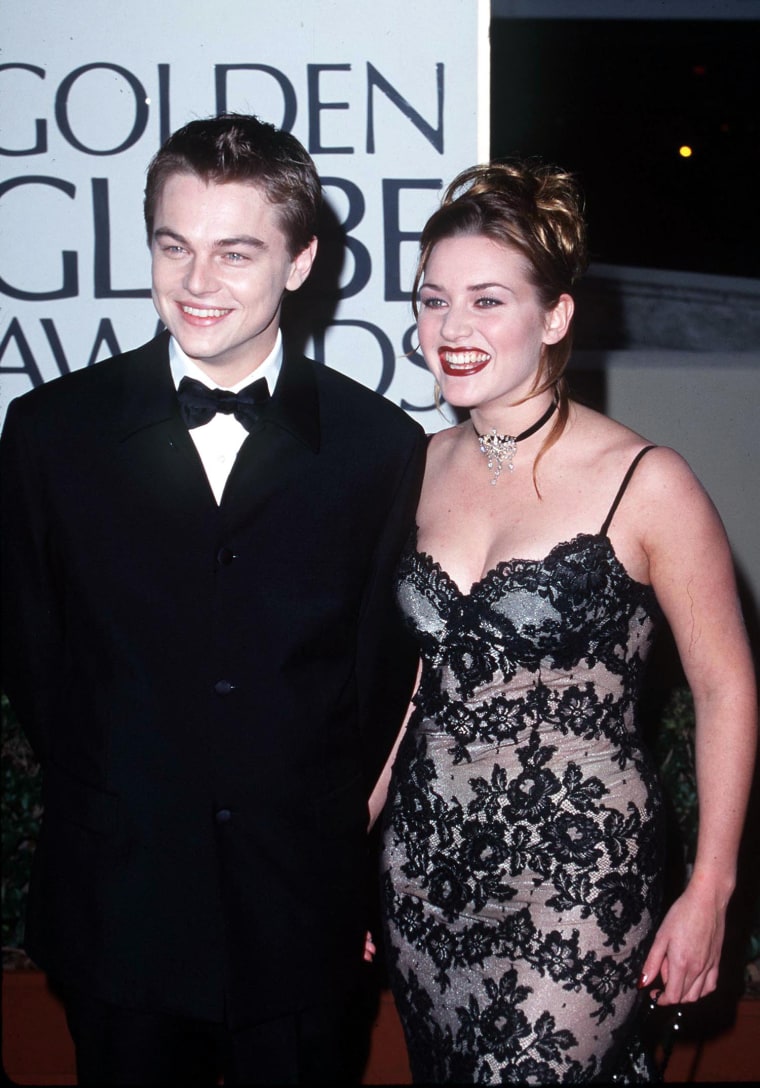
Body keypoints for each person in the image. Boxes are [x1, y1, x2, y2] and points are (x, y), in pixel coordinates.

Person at [0, 113, 426, 1085]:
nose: (197, 284)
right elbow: (33, 655)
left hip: (302, 908)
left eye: (236, 252)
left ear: (301, 259)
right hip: (121, 901)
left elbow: (374, 671)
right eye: (173, 245)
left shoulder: (379, 448)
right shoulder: (49, 434)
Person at [369, 160, 757, 1083]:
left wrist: (711, 887)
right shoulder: (410, 467)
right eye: (433, 301)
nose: (452, 330)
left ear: (555, 318)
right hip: (423, 873)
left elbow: (727, 687)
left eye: (487, 301)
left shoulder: (647, 483)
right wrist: (348, 845)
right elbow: (408, 687)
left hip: (578, 878)